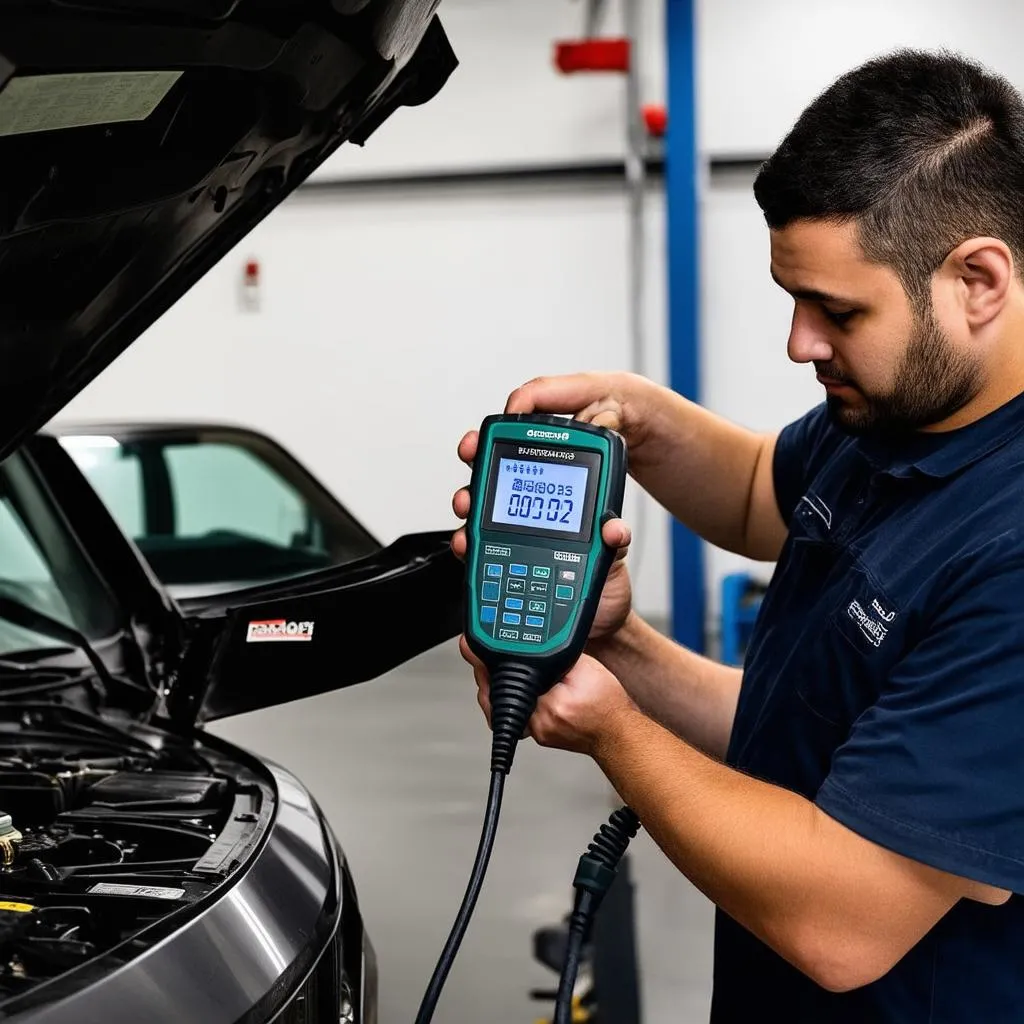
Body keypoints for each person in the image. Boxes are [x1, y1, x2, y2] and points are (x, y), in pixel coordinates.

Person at [451, 50, 1024, 1022]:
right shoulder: (891, 411)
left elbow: (841, 923)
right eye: (791, 299)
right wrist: (636, 430)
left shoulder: (1007, 552)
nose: (798, 342)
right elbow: (762, 491)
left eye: (836, 310)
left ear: (977, 279)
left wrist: (610, 728)